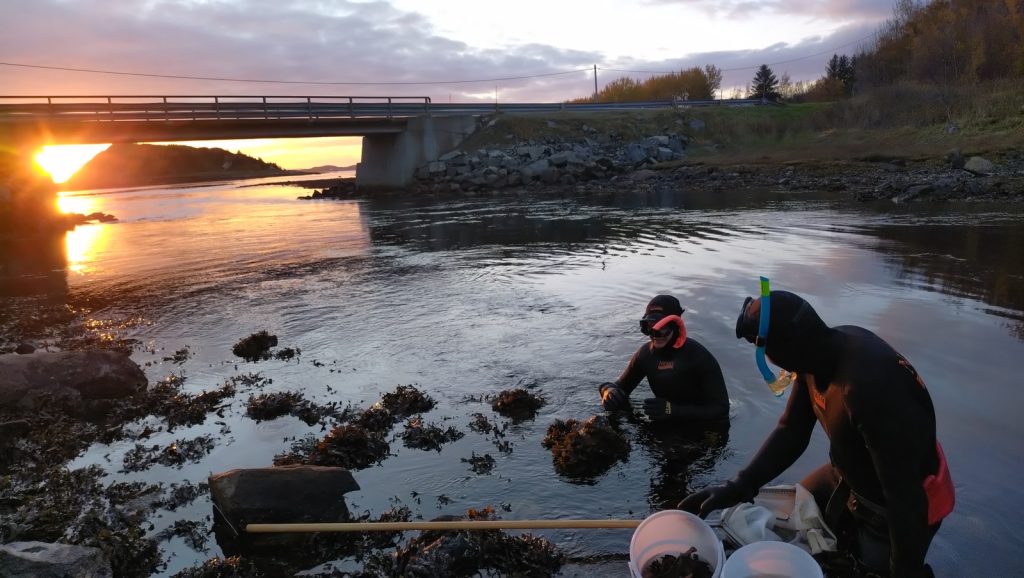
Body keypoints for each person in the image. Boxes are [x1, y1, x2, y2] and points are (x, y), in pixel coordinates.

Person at [678, 288, 954, 578]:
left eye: (765, 350)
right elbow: (792, 430)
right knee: (790, 519)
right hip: (845, 475)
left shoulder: (869, 388)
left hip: (898, 504)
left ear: (788, 346)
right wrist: (738, 486)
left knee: (877, 570)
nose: (769, 360)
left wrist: (904, 571)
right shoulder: (815, 355)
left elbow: (905, 496)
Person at [598, 295, 729, 423]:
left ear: (675, 325)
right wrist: (608, 391)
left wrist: (673, 411)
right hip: (662, 423)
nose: (656, 335)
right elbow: (620, 387)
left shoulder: (697, 356)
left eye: (662, 328)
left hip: (701, 429)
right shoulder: (645, 355)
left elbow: (721, 409)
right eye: (650, 327)